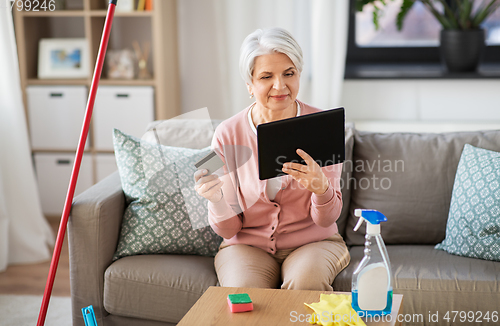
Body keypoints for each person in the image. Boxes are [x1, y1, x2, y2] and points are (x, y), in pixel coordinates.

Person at [194, 27, 349, 291]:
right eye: (266, 76)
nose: (280, 86)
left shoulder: (325, 126)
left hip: (313, 243)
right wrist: (216, 200)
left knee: (305, 284)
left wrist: (321, 190)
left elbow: (326, 220)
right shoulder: (225, 134)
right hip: (245, 246)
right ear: (250, 85)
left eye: (289, 73)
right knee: (245, 295)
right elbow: (229, 230)